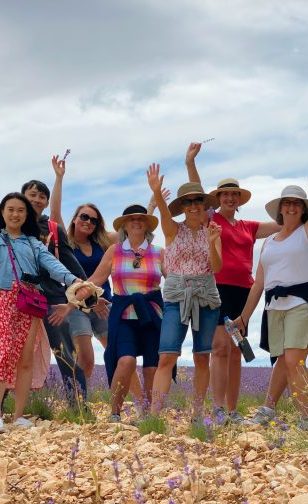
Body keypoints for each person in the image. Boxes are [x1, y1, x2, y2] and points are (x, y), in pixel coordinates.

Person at [0, 172, 89, 405]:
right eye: (32, 195)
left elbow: (62, 265)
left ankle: (78, 405)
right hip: (6, 300)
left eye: (42, 196)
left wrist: (80, 286)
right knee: (7, 351)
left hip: (45, 300)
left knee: (60, 352)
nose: (37, 200)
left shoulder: (48, 232)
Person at [235, 138, 308, 427]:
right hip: (274, 306)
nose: (292, 207)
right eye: (287, 203)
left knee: (294, 359)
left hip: (302, 303)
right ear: (280, 208)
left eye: (296, 203)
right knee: (283, 359)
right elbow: (259, 283)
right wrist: (243, 317)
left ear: (302, 208)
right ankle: (268, 410)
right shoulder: (268, 241)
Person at [183, 142, 279, 425]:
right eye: (225, 194)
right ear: (219, 198)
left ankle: (233, 411)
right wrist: (191, 163)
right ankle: (219, 409)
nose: (230, 198)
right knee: (220, 348)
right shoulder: (210, 220)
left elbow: (285, 224)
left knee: (237, 350)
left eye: (234, 194)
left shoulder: (249, 226)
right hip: (216, 289)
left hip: (244, 293)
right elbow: (197, 194)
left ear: (239, 199)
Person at [47, 155, 144, 401]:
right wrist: (59, 179)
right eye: (84, 217)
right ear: (75, 219)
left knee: (122, 354)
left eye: (93, 219)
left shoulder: (103, 241)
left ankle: (141, 404)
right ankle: (80, 402)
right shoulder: (65, 241)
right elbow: (54, 214)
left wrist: (151, 208)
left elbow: (133, 228)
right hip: (77, 306)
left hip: (104, 305)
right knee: (87, 359)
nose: (89, 222)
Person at [146, 163, 222, 418]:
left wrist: (212, 243)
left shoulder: (212, 231)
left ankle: (197, 414)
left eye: (197, 201)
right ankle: (155, 416)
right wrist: (156, 192)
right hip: (177, 295)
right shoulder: (173, 229)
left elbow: (217, 266)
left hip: (206, 294)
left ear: (203, 204)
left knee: (202, 356)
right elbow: (164, 216)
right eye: (188, 202)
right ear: (182, 206)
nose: (193, 205)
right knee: (167, 355)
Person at [86, 205, 165, 421]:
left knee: (151, 367)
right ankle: (115, 413)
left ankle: (148, 416)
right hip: (123, 315)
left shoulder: (159, 252)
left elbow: (175, 280)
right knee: (126, 361)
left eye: (141, 219)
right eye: (132, 219)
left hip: (152, 315)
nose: (137, 222)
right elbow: (96, 279)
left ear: (147, 225)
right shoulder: (115, 250)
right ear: (124, 225)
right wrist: (74, 294)